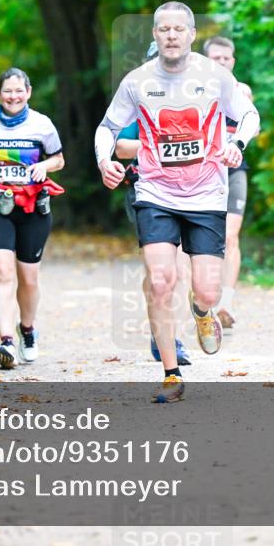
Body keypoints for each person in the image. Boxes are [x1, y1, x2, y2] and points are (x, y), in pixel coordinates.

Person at [95, 2, 260, 403]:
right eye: (163, 29)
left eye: (178, 29)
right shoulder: (137, 81)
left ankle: (202, 312)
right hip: (156, 192)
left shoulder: (215, 76)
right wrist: (105, 161)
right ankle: (171, 374)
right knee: (160, 280)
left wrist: (237, 143)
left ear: (191, 35)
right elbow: (108, 127)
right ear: (154, 35)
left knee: (207, 291)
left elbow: (250, 114)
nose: (171, 35)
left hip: (206, 193)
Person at [0, 68, 65, 370]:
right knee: (2, 271)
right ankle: (5, 341)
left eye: (19, 91)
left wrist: (45, 166)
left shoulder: (42, 124)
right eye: (7, 91)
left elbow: (59, 159)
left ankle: (27, 330)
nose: (13, 96)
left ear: (28, 92)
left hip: (33, 207)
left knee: (28, 278)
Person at [115, 120, 192, 366]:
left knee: (180, 269)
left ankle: (174, 337)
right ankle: (160, 330)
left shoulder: (196, 97)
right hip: (148, 192)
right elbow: (121, 147)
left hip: (189, 190)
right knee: (158, 275)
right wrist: (158, 145)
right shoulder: (142, 96)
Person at [202, 36, 257, 330]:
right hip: (202, 172)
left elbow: (255, 129)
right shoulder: (194, 89)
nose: (222, 62)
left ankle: (226, 302)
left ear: (233, 61)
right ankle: (201, 297)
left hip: (234, 170)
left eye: (226, 58)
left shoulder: (242, 92)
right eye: (216, 58)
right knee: (202, 238)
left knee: (231, 235)